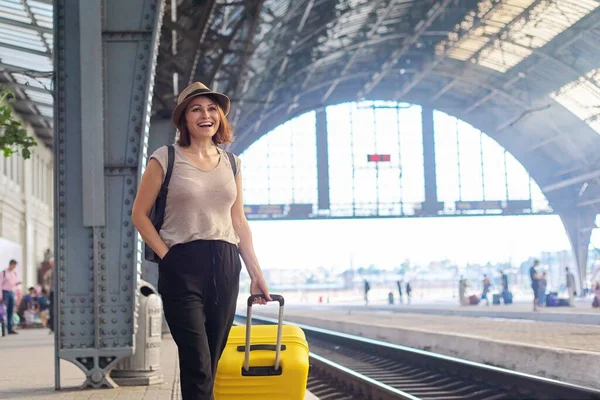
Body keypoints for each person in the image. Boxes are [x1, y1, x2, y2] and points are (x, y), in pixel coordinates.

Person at [131, 82, 271, 399]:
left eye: (211, 109)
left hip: (225, 264)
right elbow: (139, 214)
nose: (205, 114)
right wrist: (169, 257)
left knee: (213, 356)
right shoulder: (165, 158)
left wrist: (256, 275)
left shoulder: (232, 163)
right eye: (196, 109)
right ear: (184, 120)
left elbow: (239, 221)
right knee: (197, 359)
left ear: (220, 117)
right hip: (182, 264)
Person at [0, 259, 21, 334]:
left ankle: (10, 328)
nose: (14, 267)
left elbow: (14, 283)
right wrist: (0, 295)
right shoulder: (4, 273)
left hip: (12, 292)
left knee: (11, 311)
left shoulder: (13, 273)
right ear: (10, 265)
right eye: (13, 266)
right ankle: (3, 328)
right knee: (4, 311)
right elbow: (0, 284)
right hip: (5, 292)